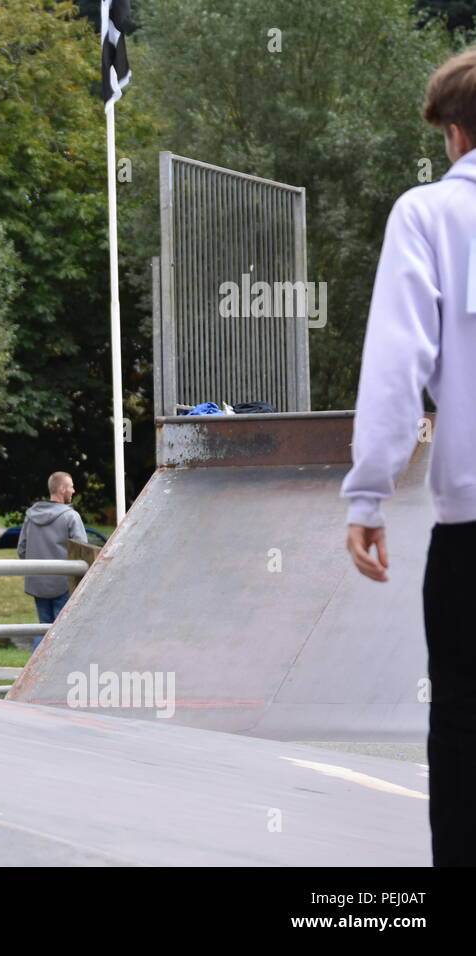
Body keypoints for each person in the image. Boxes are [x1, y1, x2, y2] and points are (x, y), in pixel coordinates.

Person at [341, 47, 476, 867]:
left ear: (454, 132)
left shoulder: (429, 215)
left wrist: (368, 495)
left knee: (462, 717)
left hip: (472, 525)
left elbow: (397, 366)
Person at [18, 471, 87, 649]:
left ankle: (32, 672)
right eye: (71, 486)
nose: (73, 490)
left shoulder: (30, 516)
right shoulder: (71, 517)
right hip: (64, 583)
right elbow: (83, 552)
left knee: (44, 629)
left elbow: (22, 549)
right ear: (62, 489)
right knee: (61, 631)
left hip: (37, 582)